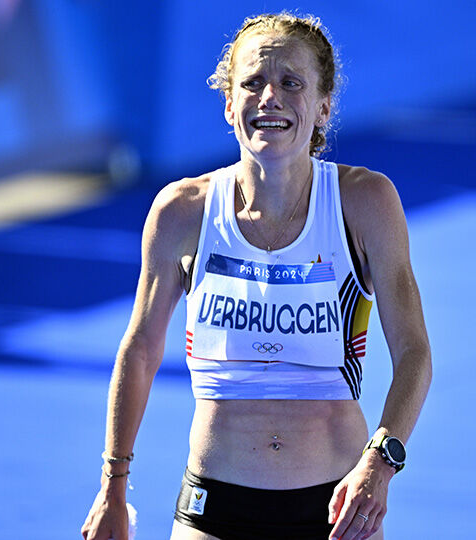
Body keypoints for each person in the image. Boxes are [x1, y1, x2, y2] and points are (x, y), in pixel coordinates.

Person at [81, 12, 431, 540]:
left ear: (323, 107)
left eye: (292, 83)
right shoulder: (183, 211)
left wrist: (380, 462)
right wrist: (113, 485)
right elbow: (140, 350)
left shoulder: (365, 203)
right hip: (214, 506)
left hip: (338, 510)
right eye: (253, 83)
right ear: (228, 104)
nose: (270, 97)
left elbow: (414, 352)